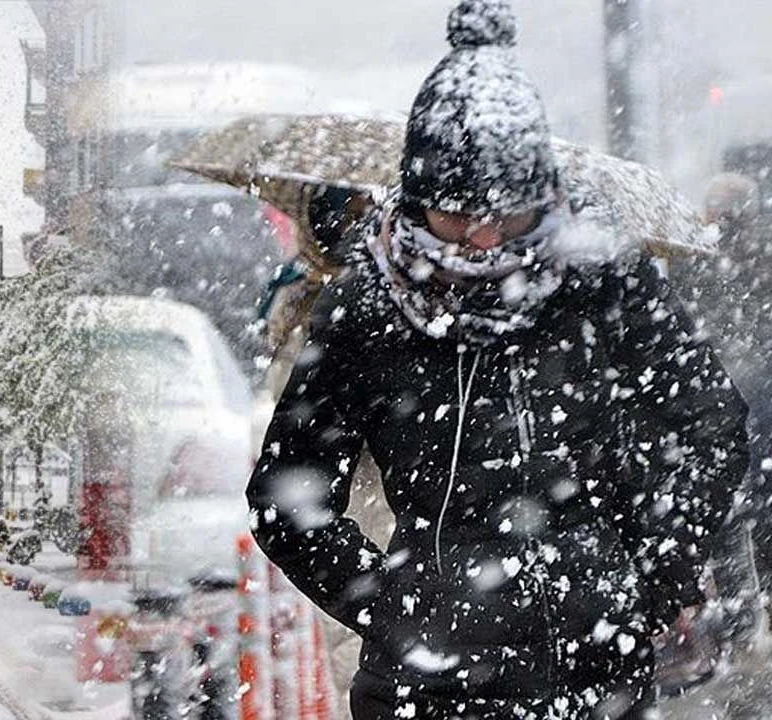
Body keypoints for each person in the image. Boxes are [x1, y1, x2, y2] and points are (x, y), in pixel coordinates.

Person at [245, 1, 750, 717]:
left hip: (596, 671)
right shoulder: (368, 308)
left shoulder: (602, 283)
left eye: (507, 216)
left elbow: (712, 424)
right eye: (456, 216)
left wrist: (657, 571)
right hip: (428, 687)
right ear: (417, 203)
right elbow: (285, 498)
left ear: (542, 196)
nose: (483, 241)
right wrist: (391, 604)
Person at [670, 172, 772, 654]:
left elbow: (685, 319)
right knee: (742, 513)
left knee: (732, 515)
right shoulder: (750, 249)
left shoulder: (700, 253)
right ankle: (746, 618)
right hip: (737, 396)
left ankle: (739, 623)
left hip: (729, 398)